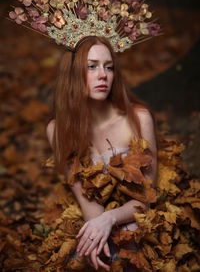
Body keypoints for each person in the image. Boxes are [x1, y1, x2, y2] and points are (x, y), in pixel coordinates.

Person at [46, 35, 157, 271]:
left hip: (136, 215)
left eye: (109, 67)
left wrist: (110, 219)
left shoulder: (138, 119)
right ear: (74, 73)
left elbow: (146, 198)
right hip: (94, 216)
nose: (103, 75)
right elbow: (87, 204)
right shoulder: (58, 130)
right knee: (90, 253)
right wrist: (98, 232)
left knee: (131, 242)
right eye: (92, 66)